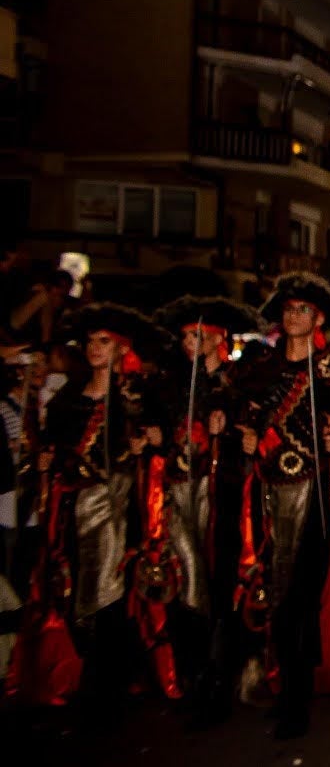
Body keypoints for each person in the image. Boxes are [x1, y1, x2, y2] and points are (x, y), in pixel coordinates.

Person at [231, 272, 330, 739]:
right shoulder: (261, 367)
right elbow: (243, 406)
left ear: (318, 317)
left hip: (315, 494)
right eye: (287, 310)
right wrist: (244, 430)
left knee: (303, 597)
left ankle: (297, 697)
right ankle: (283, 685)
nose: (294, 316)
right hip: (268, 494)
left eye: (302, 309)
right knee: (276, 593)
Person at [34, 302, 162, 718]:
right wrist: (46, 460)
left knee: (110, 594)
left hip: (117, 506)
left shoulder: (132, 398)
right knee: (72, 591)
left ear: (121, 348)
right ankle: (77, 675)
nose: (94, 348)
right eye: (90, 341)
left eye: (103, 341)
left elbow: (155, 441)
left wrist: (148, 441)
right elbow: (53, 445)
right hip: (73, 507)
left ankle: (109, 683)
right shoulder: (68, 397)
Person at [148, 289, 263, 728]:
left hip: (224, 499)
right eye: (184, 338)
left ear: (217, 339)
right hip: (179, 497)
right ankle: (191, 677)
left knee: (219, 585)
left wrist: (231, 429)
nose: (188, 344)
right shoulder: (173, 385)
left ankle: (219, 681)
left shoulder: (239, 383)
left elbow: (254, 435)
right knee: (182, 586)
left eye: (196, 336)